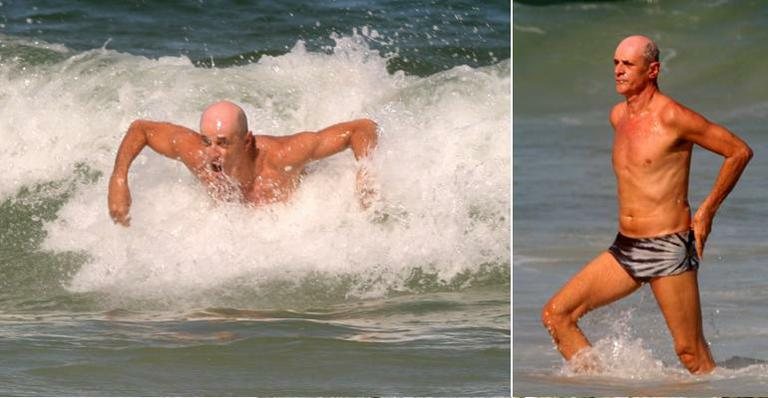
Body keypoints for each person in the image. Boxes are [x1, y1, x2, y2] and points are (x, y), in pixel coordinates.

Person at [541, 35, 753, 374]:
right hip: (625, 247)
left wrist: (706, 211)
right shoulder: (618, 116)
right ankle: (603, 391)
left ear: (652, 70)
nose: (618, 71)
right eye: (615, 63)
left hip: (667, 246)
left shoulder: (673, 117)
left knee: (690, 354)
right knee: (557, 316)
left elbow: (738, 151)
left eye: (628, 64)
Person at [108, 100, 378, 226]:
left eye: (224, 143)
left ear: (246, 141)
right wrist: (119, 180)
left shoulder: (283, 156)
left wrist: (367, 174)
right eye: (207, 141)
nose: (213, 152)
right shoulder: (199, 155)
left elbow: (362, 129)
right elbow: (141, 130)